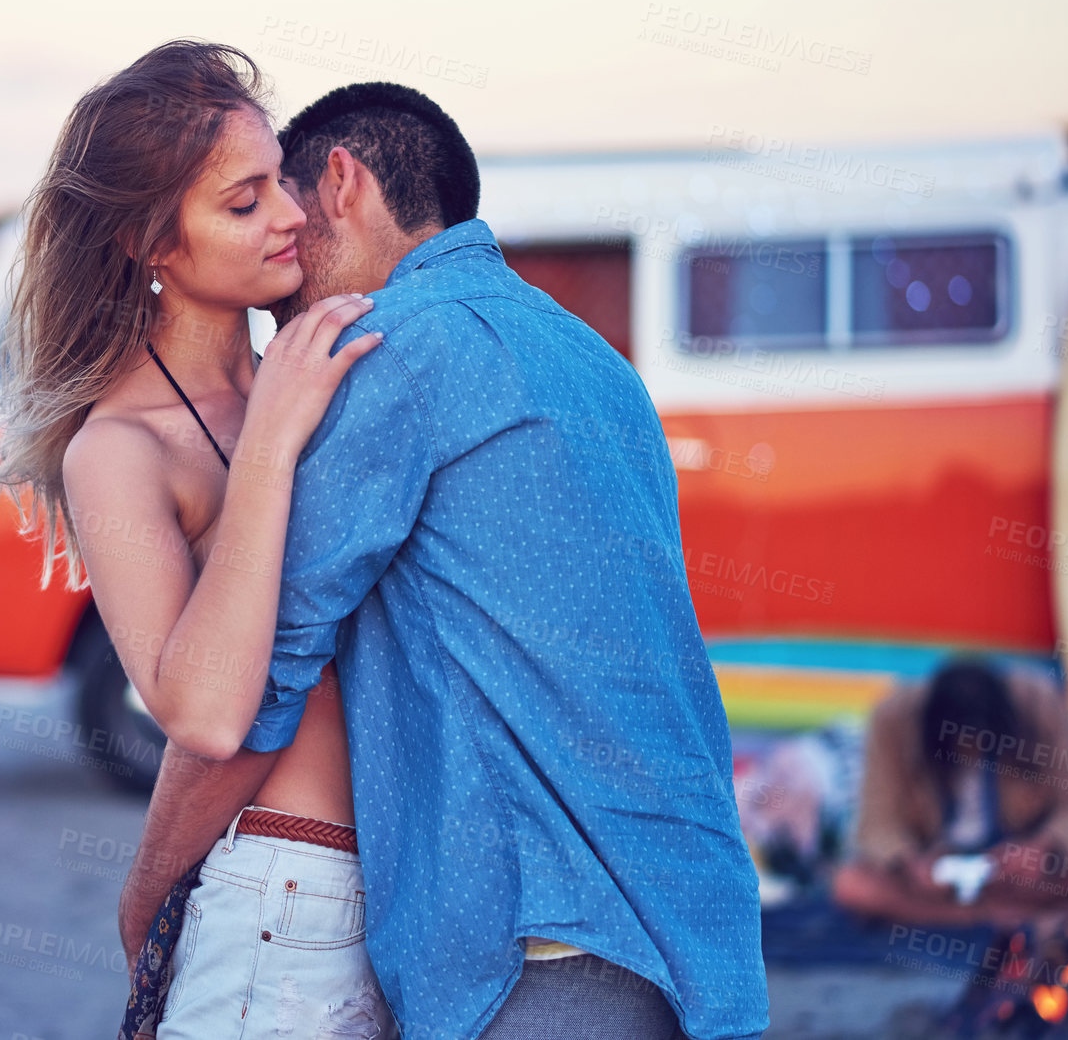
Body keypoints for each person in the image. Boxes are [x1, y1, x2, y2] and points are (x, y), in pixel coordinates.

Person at [116, 81, 770, 1039]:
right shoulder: (597, 361)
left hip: (546, 946)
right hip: (692, 925)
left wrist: (148, 896)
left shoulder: (394, 349)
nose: (289, 260)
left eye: (291, 215)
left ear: (341, 182)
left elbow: (261, 681)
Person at [0, 41, 395, 1038]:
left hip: (410, 891)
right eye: (243, 203)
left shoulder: (302, 370)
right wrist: (271, 447)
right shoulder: (120, 449)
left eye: (281, 186)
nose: (292, 216)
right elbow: (203, 711)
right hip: (287, 906)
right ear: (150, 242)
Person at [833, 656, 1068, 929]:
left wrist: (1044, 848)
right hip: (936, 874)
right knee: (850, 884)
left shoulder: (1039, 704)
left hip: (1018, 870)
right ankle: (1003, 916)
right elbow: (876, 824)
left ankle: (972, 916)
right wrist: (909, 864)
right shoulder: (894, 719)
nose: (969, 748)